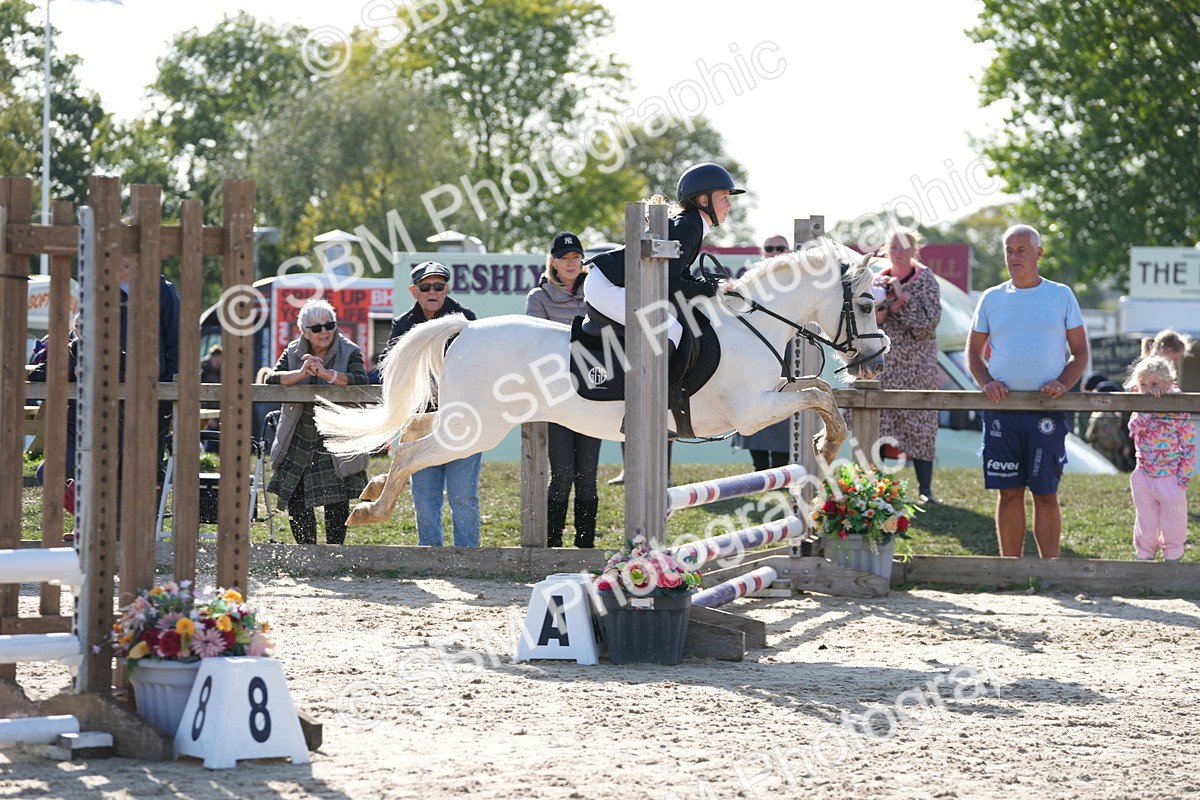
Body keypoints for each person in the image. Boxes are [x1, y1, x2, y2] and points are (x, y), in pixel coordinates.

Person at [966, 224, 1089, 559]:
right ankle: (1011, 570)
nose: (1014, 256)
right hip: (1002, 410)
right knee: (1008, 493)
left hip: (1045, 409)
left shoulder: (1061, 294)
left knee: (1045, 493)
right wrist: (986, 382)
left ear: (1039, 253)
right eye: (1008, 250)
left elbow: (1080, 352)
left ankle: (1049, 572)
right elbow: (974, 352)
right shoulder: (991, 298)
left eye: (1022, 250)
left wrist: (1063, 383)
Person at [584, 162, 742, 354]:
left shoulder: (691, 225)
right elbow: (669, 284)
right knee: (671, 329)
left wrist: (713, 285)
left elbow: (677, 276)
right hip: (609, 286)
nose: (729, 204)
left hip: (612, 282)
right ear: (704, 200)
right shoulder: (689, 227)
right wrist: (711, 289)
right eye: (724, 197)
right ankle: (653, 384)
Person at [388, 261, 482, 547]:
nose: (433, 291)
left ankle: (469, 560)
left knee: (462, 495)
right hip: (420, 423)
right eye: (426, 287)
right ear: (414, 291)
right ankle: (430, 559)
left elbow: (479, 366)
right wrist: (420, 383)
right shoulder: (402, 325)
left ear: (447, 288)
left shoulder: (466, 319)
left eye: (438, 286)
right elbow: (391, 368)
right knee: (425, 497)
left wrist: (448, 383)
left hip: (462, 419)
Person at [266, 299, 369, 545]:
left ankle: (334, 552)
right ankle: (306, 553)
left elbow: (360, 379)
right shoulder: (292, 351)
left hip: (335, 433)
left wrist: (326, 374)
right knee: (296, 497)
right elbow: (272, 378)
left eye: (329, 325)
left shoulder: (350, 349)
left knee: (337, 498)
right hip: (300, 433)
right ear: (304, 331)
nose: (324, 331)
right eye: (316, 328)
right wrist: (302, 373)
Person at [525, 231, 601, 548]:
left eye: (576, 257)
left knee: (588, 479)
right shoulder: (538, 298)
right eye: (564, 258)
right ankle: (552, 545)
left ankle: (585, 547)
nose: (571, 263)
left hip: (594, 395)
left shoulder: (598, 293)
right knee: (562, 477)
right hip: (556, 398)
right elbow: (535, 345)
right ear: (553, 262)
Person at [872, 227, 942, 503]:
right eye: (894, 248)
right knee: (880, 423)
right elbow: (869, 319)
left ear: (915, 250)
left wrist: (904, 300)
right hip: (885, 366)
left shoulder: (926, 280)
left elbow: (927, 324)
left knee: (920, 424)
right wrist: (889, 306)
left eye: (904, 248)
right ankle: (876, 487)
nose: (898, 253)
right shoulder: (878, 280)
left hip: (917, 367)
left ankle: (925, 490)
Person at [732, 234, 793, 471]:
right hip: (753, 356)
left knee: (784, 414)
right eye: (769, 247)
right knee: (753, 410)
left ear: (789, 251)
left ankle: (781, 471)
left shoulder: (798, 282)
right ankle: (759, 470)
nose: (775, 251)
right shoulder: (750, 282)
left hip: (790, 355)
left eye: (780, 247)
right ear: (762, 251)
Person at [1124, 355, 1194, 560]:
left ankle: (1172, 558)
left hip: (1171, 475)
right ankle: (1144, 556)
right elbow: (1133, 429)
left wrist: (1184, 476)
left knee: (1174, 521)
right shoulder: (1140, 407)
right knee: (1146, 520)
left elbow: (1188, 442)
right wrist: (1147, 409)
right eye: (1143, 384)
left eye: (1154, 384)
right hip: (1144, 474)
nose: (1148, 389)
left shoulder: (1178, 405)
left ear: (1167, 383)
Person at [119, 254, 180, 485]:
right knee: (113, 458)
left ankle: (150, 518)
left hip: (154, 390)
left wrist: (165, 386)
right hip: (111, 387)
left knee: (149, 459)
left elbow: (176, 341)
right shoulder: (100, 287)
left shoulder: (162, 290)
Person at [199, 343, 223, 451]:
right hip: (205, 411)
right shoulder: (203, 369)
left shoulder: (219, 371)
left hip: (217, 411)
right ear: (215, 356)